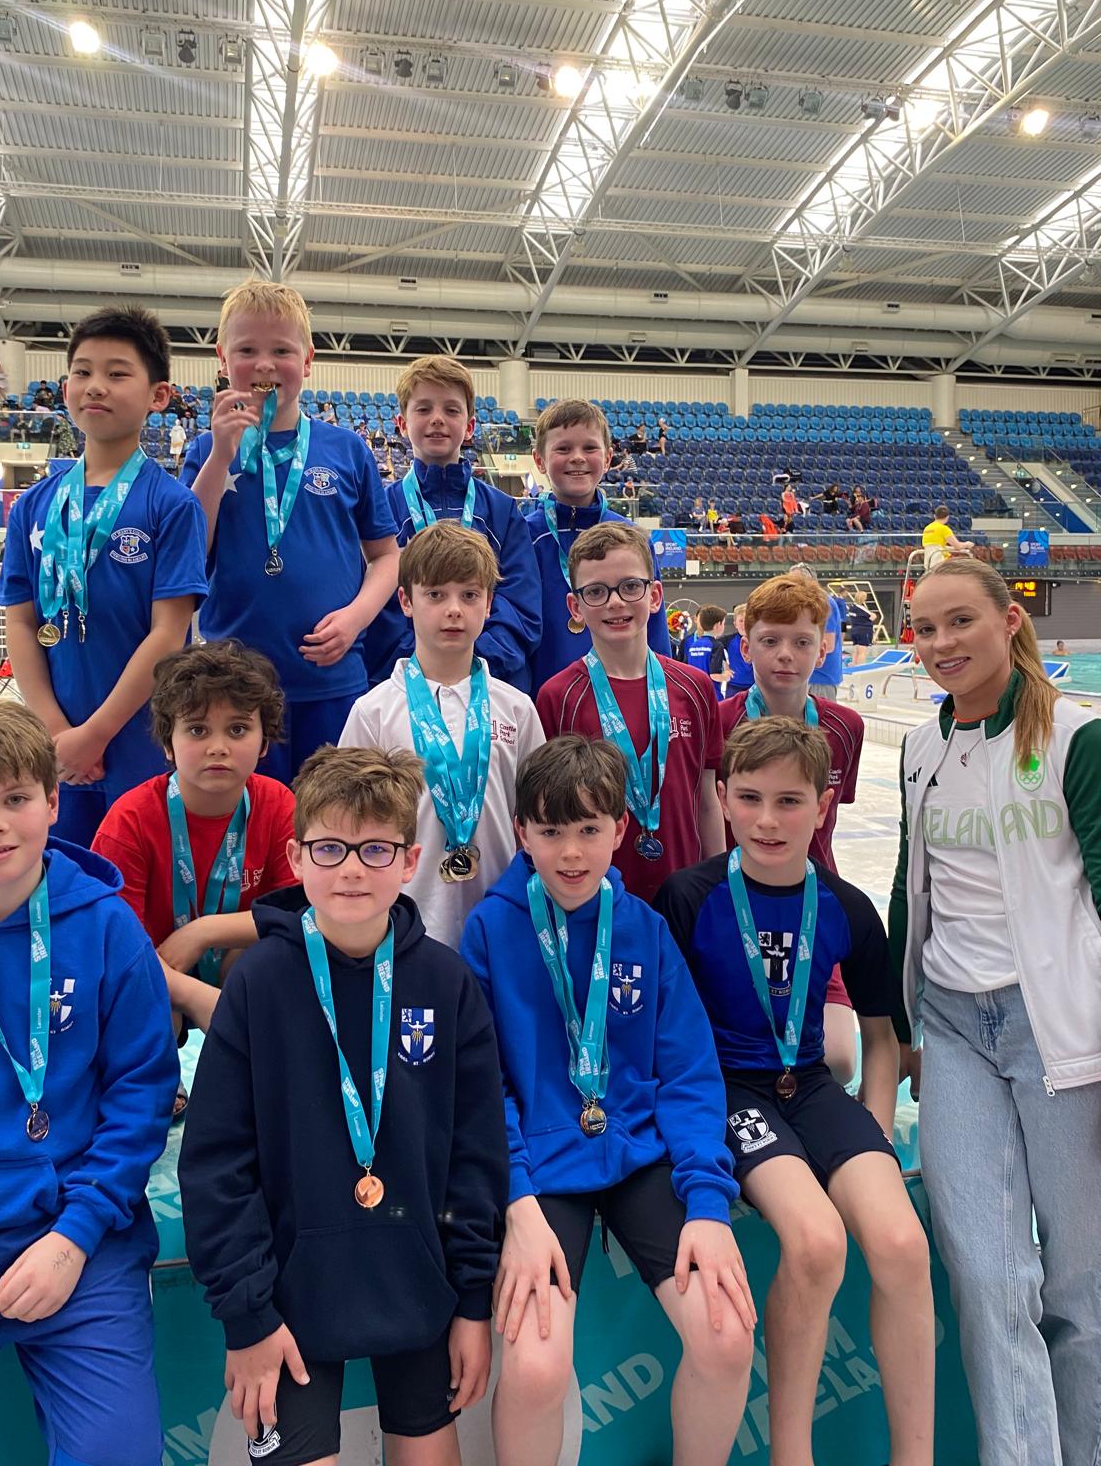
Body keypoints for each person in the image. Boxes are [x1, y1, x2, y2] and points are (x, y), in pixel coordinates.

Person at [178, 745, 508, 1463]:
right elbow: (216, 1163)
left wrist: (472, 1300)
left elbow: (476, 1155)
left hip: (419, 1284)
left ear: (410, 859)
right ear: (295, 857)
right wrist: (247, 1317)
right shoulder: (257, 983)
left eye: (375, 849)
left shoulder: (446, 984)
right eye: (330, 848)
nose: (352, 869)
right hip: (286, 1300)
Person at [460, 736, 755, 1466]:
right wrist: (516, 1203)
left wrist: (708, 1204)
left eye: (589, 829)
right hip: (539, 1172)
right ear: (521, 831)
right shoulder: (490, 930)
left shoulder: (645, 930)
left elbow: (688, 1074)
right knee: (536, 1366)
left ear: (621, 829)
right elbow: (480, 1087)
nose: (570, 852)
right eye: (551, 831)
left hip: (638, 1158)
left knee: (725, 1337)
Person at [0, 701, 178, 1466]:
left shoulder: (107, 928)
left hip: (75, 1246)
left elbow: (140, 1095)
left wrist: (74, 1238)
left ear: (54, 803)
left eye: (15, 798)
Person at [657, 718, 934, 1466]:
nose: (768, 820)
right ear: (722, 797)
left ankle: (915, 1456)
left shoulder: (846, 907)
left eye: (789, 801)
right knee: (816, 1242)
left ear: (824, 804)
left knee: (904, 1244)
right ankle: (792, 1453)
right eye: (750, 798)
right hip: (728, 1090)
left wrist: (876, 1129)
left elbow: (881, 1037)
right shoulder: (690, 896)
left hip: (810, 1084)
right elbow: (665, 1036)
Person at [892, 559, 1101, 1466]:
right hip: (954, 1029)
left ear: (1010, 620)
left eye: (959, 622)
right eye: (924, 629)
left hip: (1063, 1033)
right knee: (986, 1275)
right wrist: (904, 1025)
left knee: (1082, 1288)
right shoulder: (919, 749)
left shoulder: (1077, 740)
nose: (941, 643)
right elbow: (909, 890)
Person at [0, 305, 209, 849]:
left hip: (142, 740)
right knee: (60, 877)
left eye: (117, 373)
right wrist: (58, 732)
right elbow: (21, 623)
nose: (95, 386)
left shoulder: (171, 505)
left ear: (158, 395)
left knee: (140, 877)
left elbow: (169, 634)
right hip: (55, 745)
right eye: (82, 372)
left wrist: (95, 734)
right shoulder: (32, 507)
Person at [183, 279, 399, 786]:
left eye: (281, 350)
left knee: (335, 813)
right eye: (247, 351)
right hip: (236, 689)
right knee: (252, 817)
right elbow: (190, 553)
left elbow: (388, 557)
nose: (264, 365)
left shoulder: (347, 450)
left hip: (332, 679)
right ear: (222, 359)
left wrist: (355, 618)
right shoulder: (206, 451)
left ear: (307, 360)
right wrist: (220, 456)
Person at [341, 522, 543, 947]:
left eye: (469, 595)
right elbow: (350, 823)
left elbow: (538, 817)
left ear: (489, 603)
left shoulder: (518, 709)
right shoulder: (373, 712)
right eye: (435, 594)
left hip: (502, 921)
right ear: (406, 601)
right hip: (405, 925)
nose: (454, 609)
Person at [91, 641, 297, 1037]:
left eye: (238, 729)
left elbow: (298, 912)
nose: (218, 748)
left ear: (264, 742)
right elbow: (113, 943)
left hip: (232, 964)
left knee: (276, 963)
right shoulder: (130, 819)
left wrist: (203, 932)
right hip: (155, 967)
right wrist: (190, 996)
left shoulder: (278, 804)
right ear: (168, 743)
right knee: (149, 1009)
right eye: (198, 730)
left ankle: (258, 1071)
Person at [716, 573, 866, 1085]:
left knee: (839, 1060)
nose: (786, 654)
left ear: (823, 649)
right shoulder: (720, 721)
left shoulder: (846, 727)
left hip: (812, 905)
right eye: (770, 641)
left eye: (802, 642)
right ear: (745, 648)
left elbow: (828, 818)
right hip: (737, 900)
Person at [536, 522, 725, 904]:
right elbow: (549, 816)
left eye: (630, 586)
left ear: (654, 595)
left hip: (686, 895)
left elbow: (707, 800)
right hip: (594, 900)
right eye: (596, 591)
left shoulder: (695, 688)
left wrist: (718, 885)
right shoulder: (558, 697)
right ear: (575, 607)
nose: (615, 602)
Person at [363, 355, 541, 695]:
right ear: (402, 423)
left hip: (490, 682)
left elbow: (521, 606)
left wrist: (472, 660)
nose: (437, 419)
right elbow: (376, 604)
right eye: (424, 409)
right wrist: (421, 660)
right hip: (406, 684)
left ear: (469, 426)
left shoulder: (502, 511)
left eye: (451, 410)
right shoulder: (382, 509)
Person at [523, 398, 671, 693]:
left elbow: (654, 629)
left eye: (589, 448)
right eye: (563, 449)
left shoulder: (632, 538)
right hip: (545, 700)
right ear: (539, 460)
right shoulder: (524, 536)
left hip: (625, 699)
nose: (577, 457)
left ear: (607, 458)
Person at [794, 563, 846, 701]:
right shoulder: (806, 603)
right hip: (807, 675)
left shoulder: (823, 603)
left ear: (809, 581)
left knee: (820, 715)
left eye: (794, 582)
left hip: (821, 678)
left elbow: (828, 645)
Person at [710, 604, 754, 699]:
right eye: (741, 621)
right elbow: (713, 647)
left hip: (755, 685)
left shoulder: (759, 640)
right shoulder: (728, 640)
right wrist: (725, 666)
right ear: (735, 624)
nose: (744, 624)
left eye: (747, 620)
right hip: (733, 686)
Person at [683, 603, 729, 688]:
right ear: (717, 625)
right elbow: (714, 675)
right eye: (723, 624)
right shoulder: (717, 645)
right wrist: (726, 676)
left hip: (695, 689)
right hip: (711, 690)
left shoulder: (693, 645)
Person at [920, 504, 973, 570]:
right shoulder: (944, 529)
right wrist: (967, 544)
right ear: (947, 517)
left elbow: (936, 546)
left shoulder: (927, 528)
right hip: (940, 562)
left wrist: (953, 548)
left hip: (928, 563)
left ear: (935, 516)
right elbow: (958, 546)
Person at [845, 587, 876, 665]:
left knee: (856, 650)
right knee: (862, 651)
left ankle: (853, 665)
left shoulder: (851, 607)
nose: (866, 599)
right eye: (865, 597)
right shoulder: (861, 607)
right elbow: (873, 616)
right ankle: (860, 667)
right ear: (862, 598)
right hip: (863, 630)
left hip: (855, 630)